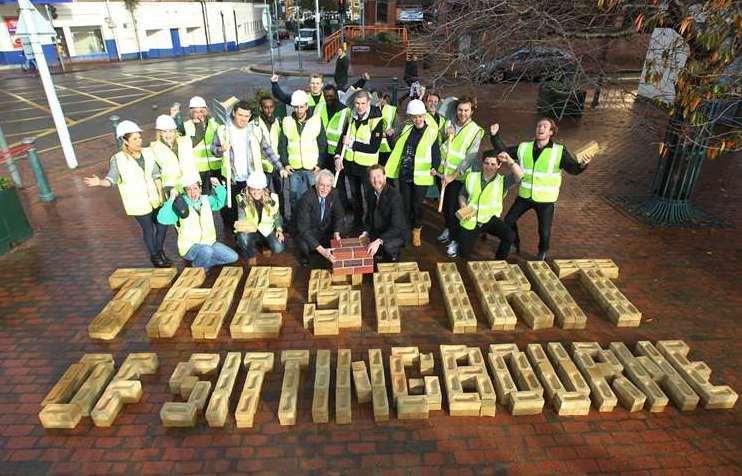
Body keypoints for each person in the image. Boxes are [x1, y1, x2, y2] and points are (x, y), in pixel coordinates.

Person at [490, 118, 593, 260]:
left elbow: (573, 169)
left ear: (551, 132)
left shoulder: (559, 151)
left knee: (544, 231)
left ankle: (542, 251)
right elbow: (504, 152)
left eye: (545, 126)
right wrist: (494, 136)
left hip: (546, 200)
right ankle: (514, 242)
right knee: (508, 221)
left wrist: (583, 164)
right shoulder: (524, 147)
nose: (540, 128)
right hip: (525, 196)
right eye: (539, 125)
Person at [84, 120, 170, 267]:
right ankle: (155, 256)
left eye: (139, 137)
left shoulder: (148, 153)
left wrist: (162, 195)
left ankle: (160, 250)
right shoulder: (118, 159)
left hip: (155, 198)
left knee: (162, 225)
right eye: (134, 139)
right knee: (148, 229)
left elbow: (156, 174)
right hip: (138, 203)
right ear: (125, 141)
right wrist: (100, 182)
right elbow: (111, 179)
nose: (139, 141)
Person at [211, 100, 286, 237]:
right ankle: (238, 240)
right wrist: (221, 149)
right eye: (240, 115)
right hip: (232, 179)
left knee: (255, 210)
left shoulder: (255, 130)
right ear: (234, 113)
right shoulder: (223, 130)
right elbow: (213, 150)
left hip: (252, 180)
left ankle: (255, 238)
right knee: (233, 212)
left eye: (246, 116)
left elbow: (267, 150)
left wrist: (280, 167)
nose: (243, 119)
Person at [446, 150, 524, 259]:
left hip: (489, 219)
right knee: (463, 254)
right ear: (482, 163)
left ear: (499, 165)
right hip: (471, 220)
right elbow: (462, 194)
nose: (489, 167)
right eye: (486, 163)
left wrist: (509, 160)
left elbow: (520, 176)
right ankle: (458, 242)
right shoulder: (471, 177)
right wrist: (463, 205)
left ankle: (499, 261)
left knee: (509, 236)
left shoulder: (503, 181)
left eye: (493, 164)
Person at [384, 99, 440, 247]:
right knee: (405, 205)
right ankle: (405, 230)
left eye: (420, 116)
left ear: (424, 115)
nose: (417, 119)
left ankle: (417, 230)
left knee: (417, 205)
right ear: (410, 117)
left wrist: (435, 166)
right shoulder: (407, 128)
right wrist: (390, 136)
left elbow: (436, 153)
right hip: (405, 173)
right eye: (414, 117)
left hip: (421, 176)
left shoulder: (431, 132)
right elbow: (397, 147)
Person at [157, 172, 238, 271]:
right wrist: (171, 199)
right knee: (207, 251)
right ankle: (198, 266)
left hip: (209, 243)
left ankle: (204, 263)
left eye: (195, 188)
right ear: (185, 191)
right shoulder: (181, 206)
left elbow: (221, 202)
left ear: (200, 189)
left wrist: (218, 186)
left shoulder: (206, 200)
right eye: (189, 189)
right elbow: (162, 218)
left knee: (233, 257)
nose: (193, 192)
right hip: (190, 248)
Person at [334, 90, 385, 230]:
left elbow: (374, 147)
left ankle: (370, 224)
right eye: (357, 103)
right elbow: (342, 138)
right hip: (351, 165)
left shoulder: (376, 120)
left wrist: (352, 144)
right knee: (355, 196)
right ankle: (357, 223)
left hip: (368, 167)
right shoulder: (351, 116)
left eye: (363, 103)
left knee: (369, 197)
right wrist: (338, 156)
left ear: (368, 103)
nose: (360, 106)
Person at [437, 97, 485, 245]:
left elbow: (470, 157)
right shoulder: (449, 122)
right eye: (460, 110)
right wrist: (446, 133)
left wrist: (453, 175)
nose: (462, 113)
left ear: (471, 111)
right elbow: (441, 141)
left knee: (454, 208)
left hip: (458, 177)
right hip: (442, 172)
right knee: (445, 206)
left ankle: (455, 238)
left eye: (466, 110)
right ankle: (448, 229)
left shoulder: (476, 131)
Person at [278, 90, 328, 214]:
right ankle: (296, 223)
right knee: (294, 198)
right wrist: (285, 163)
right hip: (293, 169)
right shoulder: (286, 121)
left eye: (301, 107)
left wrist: (319, 164)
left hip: (311, 168)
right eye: (296, 107)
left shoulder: (316, 120)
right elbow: (282, 145)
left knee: (314, 197)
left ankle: (313, 222)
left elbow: (322, 144)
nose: (299, 110)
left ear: (306, 106)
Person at [270, 72, 370, 128]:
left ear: (322, 84)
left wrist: (363, 80)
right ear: (309, 84)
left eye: (317, 83)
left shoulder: (330, 96)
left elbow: (349, 92)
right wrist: (274, 83)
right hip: (310, 137)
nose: (315, 86)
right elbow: (282, 96)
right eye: (312, 83)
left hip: (328, 136)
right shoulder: (302, 97)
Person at [295, 169, 345, 266]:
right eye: (322, 185)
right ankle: (305, 256)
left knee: (340, 230)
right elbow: (304, 229)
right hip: (309, 230)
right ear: (316, 184)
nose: (325, 189)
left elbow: (340, 214)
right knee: (304, 245)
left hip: (323, 228)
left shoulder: (334, 193)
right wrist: (322, 251)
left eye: (328, 186)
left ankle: (320, 248)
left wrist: (337, 232)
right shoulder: (306, 198)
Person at [234, 173, 285, 265]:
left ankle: (265, 245)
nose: (256, 192)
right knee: (242, 237)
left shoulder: (272, 198)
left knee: (278, 248)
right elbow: (241, 218)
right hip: (250, 229)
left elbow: (277, 215)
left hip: (266, 229)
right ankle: (251, 254)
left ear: (263, 189)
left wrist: (279, 229)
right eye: (252, 189)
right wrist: (242, 229)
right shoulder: (242, 199)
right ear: (248, 188)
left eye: (258, 189)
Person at [359, 164, 406, 262]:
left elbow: (396, 227)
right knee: (366, 244)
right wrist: (365, 233)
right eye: (373, 177)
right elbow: (369, 217)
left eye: (379, 176)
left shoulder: (394, 196)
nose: (376, 180)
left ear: (385, 176)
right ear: (369, 179)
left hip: (396, 233)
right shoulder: (370, 193)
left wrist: (378, 241)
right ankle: (380, 250)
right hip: (379, 230)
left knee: (388, 246)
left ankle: (394, 255)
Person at [179, 96, 221, 194]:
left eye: (202, 111)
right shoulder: (186, 127)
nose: (199, 114)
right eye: (196, 112)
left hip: (216, 167)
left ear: (206, 111)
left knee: (220, 195)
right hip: (199, 170)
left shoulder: (214, 123)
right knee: (205, 197)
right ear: (191, 113)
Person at [149, 114, 194, 196]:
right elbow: (156, 174)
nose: (168, 134)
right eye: (164, 131)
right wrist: (162, 195)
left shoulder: (185, 141)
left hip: (189, 185)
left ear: (175, 131)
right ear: (160, 133)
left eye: (171, 131)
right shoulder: (154, 149)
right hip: (172, 189)